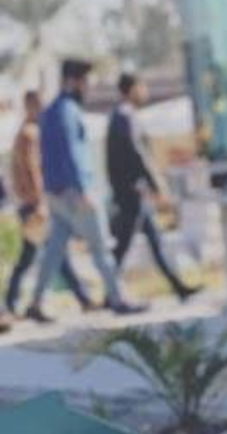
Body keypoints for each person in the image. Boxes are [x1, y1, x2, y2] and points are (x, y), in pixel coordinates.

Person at [25, 59, 146, 323]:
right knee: (101, 247)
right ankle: (117, 299)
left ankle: (35, 302)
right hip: (75, 192)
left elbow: (45, 156)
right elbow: (72, 153)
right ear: (74, 81)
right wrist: (82, 189)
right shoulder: (68, 111)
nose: (88, 88)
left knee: (54, 251)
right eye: (86, 82)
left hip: (55, 192)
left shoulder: (49, 111)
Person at [5, 89, 102, 319]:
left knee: (52, 253)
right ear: (31, 106)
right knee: (42, 255)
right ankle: (16, 304)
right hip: (34, 204)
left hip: (28, 202)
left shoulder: (23, 132)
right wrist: (40, 201)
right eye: (38, 105)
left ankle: (74, 298)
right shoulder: (30, 133)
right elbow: (33, 169)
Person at [107, 72, 199, 302]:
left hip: (133, 191)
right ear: (132, 89)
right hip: (131, 192)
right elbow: (137, 154)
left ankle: (178, 287)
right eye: (142, 87)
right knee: (123, 247)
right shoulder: (124, 116)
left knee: (154, 241)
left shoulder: (123, 116)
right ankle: (110, 293)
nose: (145, 92)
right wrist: (156, 184)